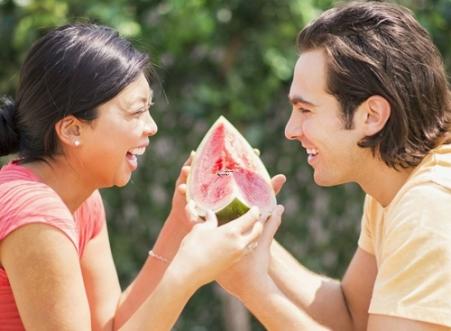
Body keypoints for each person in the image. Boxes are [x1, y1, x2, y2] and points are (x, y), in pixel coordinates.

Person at [0, 23, 278, 330]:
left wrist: (178, 226)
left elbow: (113, 324)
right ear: (72, 129)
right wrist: (186, 274)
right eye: (136, 112)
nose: (152, 127)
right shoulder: (35, 211)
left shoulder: (83, 201)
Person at [217, 1, 451, 330]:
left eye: (305, 110)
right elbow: (351, 316)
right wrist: (250, 235)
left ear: (371, 115)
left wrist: (253, 289)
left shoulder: (429, 207)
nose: (290, 130)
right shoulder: (395, 188)